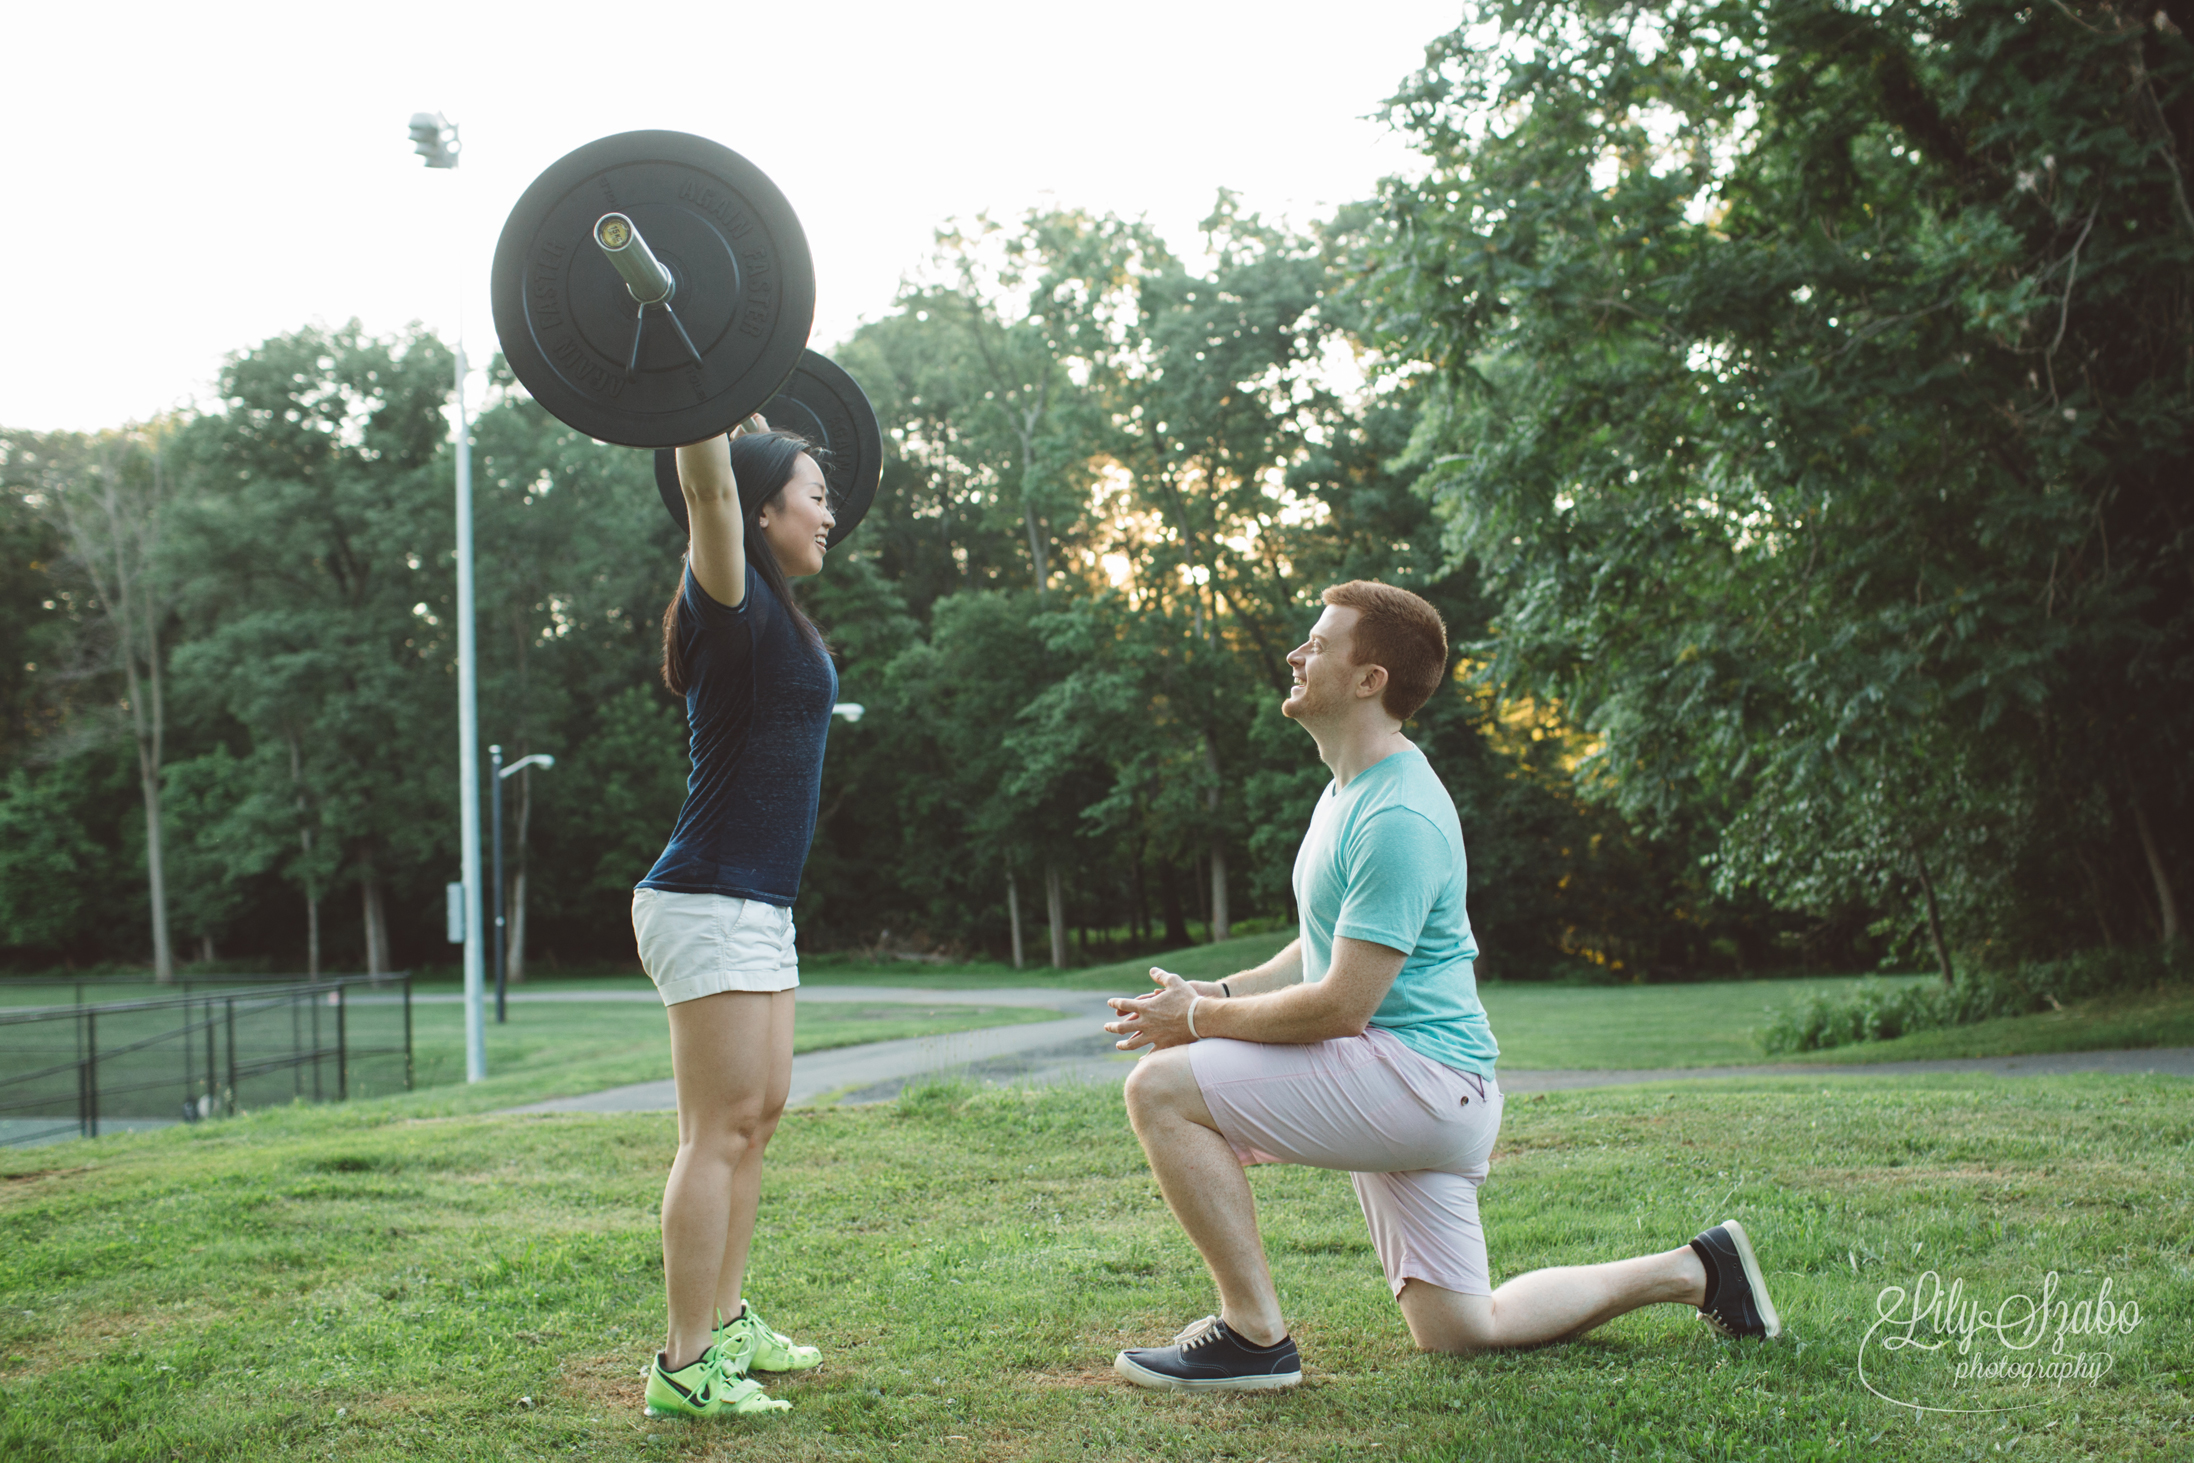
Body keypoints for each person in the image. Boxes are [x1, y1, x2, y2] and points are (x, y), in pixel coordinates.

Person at [1102, 580, 1780, 1392]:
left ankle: (1254, 1340)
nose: (1296, 652)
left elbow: (1340, 1005)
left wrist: (1201, 1018)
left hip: (1415, 1081)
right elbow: (1326, 948)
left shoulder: (1399, 814)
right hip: (1429, 1088)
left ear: (1368, 679)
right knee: (1462, 1329)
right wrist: (1211, 987)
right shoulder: (1348, 787)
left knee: (1161, 1089)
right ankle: (1697, 1269)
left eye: (1318, 643)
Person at [630, 420, 837, 1420]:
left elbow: (743, 447)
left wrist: (751, 389)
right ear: (760, 510)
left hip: (757, 899)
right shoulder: (727, 597)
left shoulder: (778, 612)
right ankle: (683, 1365)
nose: (830, 509)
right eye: (813, 491)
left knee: (754, 1120)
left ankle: (725, 1319)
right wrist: (700, 382)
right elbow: (708, 485)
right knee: (715, 1131)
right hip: (705, 892)